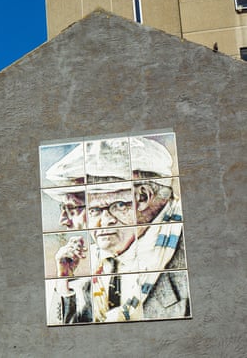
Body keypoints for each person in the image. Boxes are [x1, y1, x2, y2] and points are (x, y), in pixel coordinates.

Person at [45, 136, 190, 324]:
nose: (101, 223)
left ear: (143, 197)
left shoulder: (187, 255)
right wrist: (64, 280)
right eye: (93, 210)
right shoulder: (103, 261)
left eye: (115, 205)